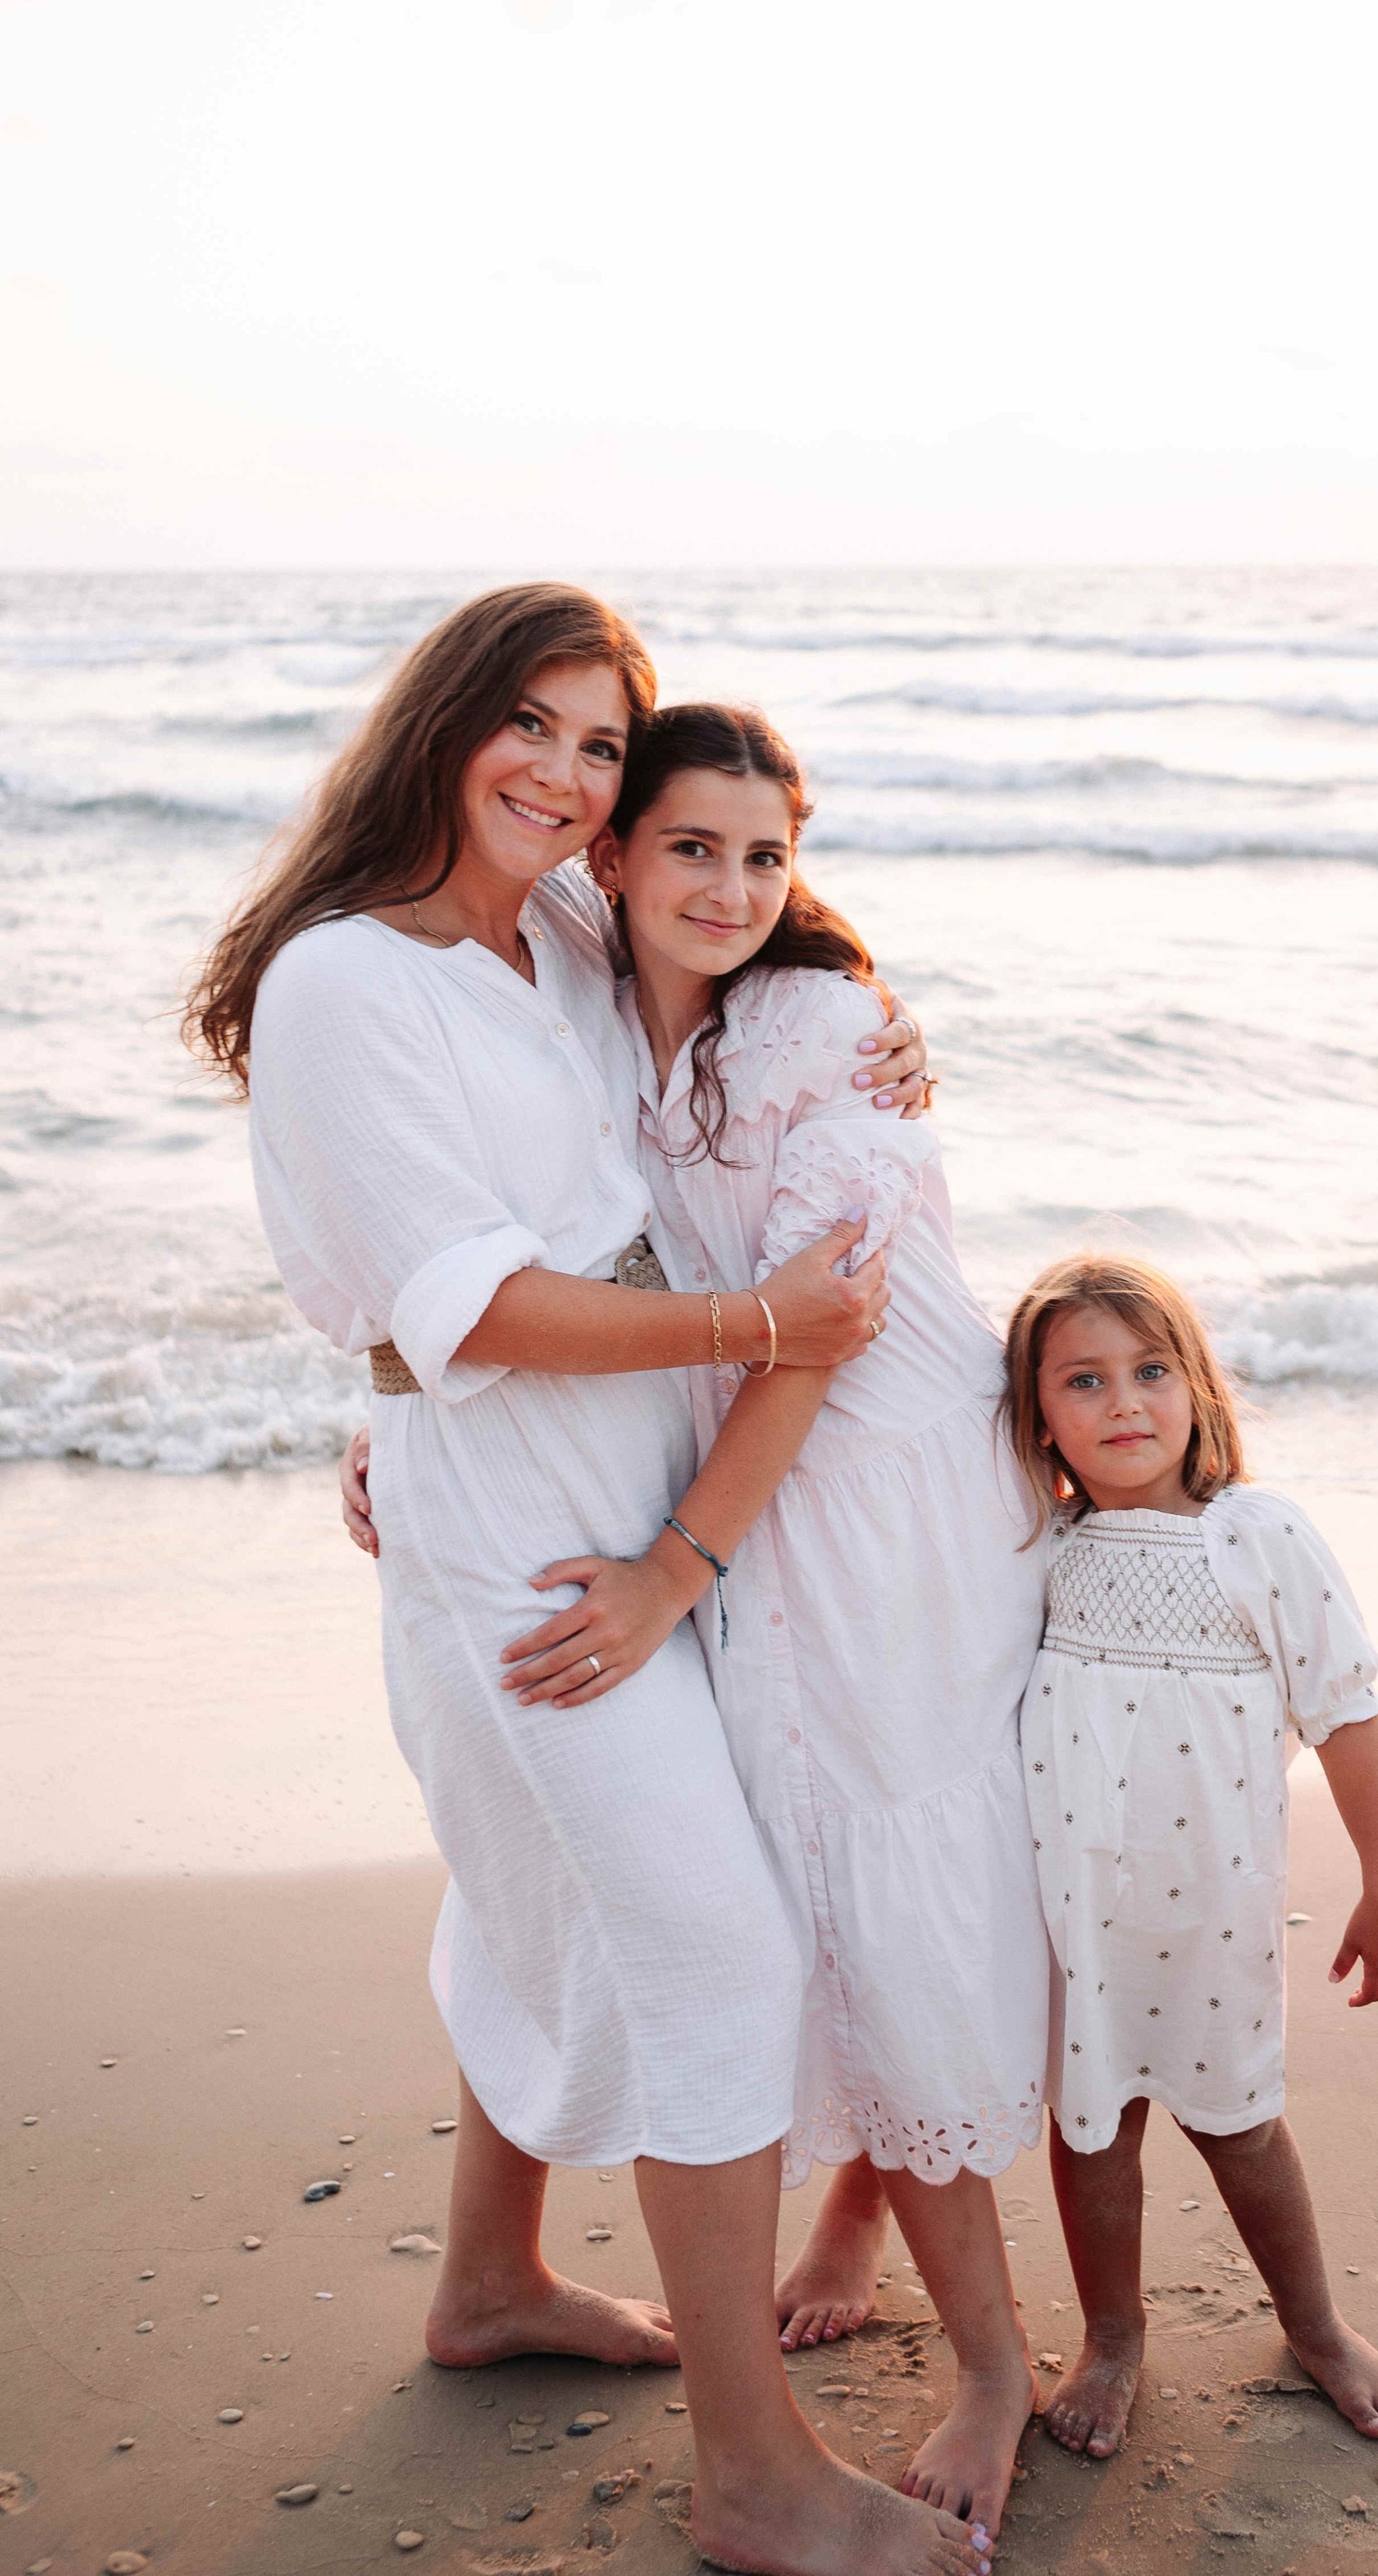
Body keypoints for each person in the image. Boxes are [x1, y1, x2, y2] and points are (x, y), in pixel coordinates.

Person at [187, 583, 986, 2576]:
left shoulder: (532, 922)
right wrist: (758, 1324)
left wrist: (877, 1026)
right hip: (528, 1532)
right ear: (442, 724)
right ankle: (753, 2469)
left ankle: (486, 2284)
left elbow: (712, 938)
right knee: (711, 1950)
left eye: (596, 743)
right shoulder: (346, 981)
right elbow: (472, 1298)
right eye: (528, 727)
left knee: (545, 1890)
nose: (562, 773)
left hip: (610, 1495)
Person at [494, 701, 1050, 2548]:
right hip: (750, 1487)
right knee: (792, 1875)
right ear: (612, 858)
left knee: (877, 1896)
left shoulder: (816, 1035)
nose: (732, 888)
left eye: (767, 854)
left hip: (882, 1512)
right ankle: (856, 2214)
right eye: (691, 848)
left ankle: (992, 2364)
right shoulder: (580, 984)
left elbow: (813, 1339)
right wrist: (398, 1414)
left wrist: (675, 1568)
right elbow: (498, 1231)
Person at [1004, 1252, 1378, 2460]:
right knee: (1092, 2135)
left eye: (1150, 1370)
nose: (1123, 1403)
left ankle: (1317, 2326)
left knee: (1243, 2127)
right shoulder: (1041, 1546)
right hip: (1077, 1919)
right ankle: (1114, 2338)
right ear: (1039, 1418)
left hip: (1214, 1917)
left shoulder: (1259, 1537)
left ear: (1199, 1390)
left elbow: (1343, 1708)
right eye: (1083, 1380)